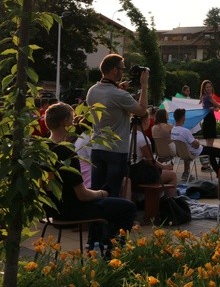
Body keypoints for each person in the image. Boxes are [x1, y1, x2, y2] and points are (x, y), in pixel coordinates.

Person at [45, 102, 136, 257]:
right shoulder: (67, 151)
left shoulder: (44, 147)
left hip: (52, 209)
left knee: (111, 205)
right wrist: (102, 193)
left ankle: (99, 244)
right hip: (72, 209)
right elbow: (83, 195)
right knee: (127, 207)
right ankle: (113, 254)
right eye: (72, 119)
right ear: (66, 121)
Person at [86, 54, 148, 197]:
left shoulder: (92, 91)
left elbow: (109, 99)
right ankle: (112, 219)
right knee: (112, 192)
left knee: (97, 193)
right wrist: (144, 85)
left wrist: (118, 88)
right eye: (122, 68)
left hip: (97, 147)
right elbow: (142, 110)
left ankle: (97, 218)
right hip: (116, 150)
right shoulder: (119, 95)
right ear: (114, 70)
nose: (123, 72)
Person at [129, 112, 177, 196]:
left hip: (127, 169)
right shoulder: (142, 138)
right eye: (148, 119)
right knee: (172, 175)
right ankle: (169, 202)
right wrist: (164, 166)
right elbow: (150, 161)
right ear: (145, 122)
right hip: (138, 173)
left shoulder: (127, 135)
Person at [171, 108, 220, 178]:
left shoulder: (173, 130)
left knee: (211, 154)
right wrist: (197, 141)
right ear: (183, 117)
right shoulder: (185, 131)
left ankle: (219, 174)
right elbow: (196, 145)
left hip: (184, 152)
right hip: (197, 151)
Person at [199, 80, 220, 147]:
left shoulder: (203, 97)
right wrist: (216, 107)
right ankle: (211, 156)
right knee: (210, 143)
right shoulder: (208, 97)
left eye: (210, 86)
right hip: (210, 119)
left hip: (206, 119)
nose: (209, 88)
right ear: (204, 89)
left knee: (208, 142)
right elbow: (218, 105)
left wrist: (214, 108)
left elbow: (209, 108)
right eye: (207, 87)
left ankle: (209, 156)